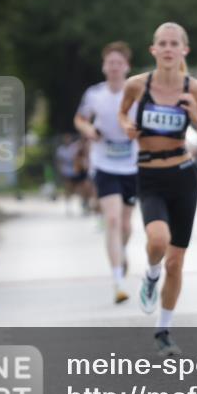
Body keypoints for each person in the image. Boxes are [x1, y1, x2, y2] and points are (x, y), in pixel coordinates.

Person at [119, 22, 197, 356]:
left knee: (176, 262)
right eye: (162, 43)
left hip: (182, 175)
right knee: (157, 241)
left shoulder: (196, 90)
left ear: (183, 51)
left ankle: (163, 330)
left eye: (174, 43)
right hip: (149, 175)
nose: (168, 49)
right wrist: (127, 127)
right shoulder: (137, 85)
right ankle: (149, 274)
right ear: (153, 50)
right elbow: (122, 114)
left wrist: (196, 117)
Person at [75, 41, 139, 305]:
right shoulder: (94, 94)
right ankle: (118, 281)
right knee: (111, 220)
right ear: (104, 67)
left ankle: (121, 252)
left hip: (132, 164)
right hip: (104, 164)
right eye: (110, 63)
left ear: (126, 67)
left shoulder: (135, 92)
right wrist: (89, 130)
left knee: (125, 225)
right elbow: (80, 118)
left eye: (118, 63)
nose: (114, 67)